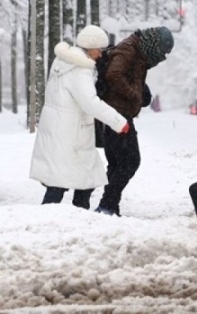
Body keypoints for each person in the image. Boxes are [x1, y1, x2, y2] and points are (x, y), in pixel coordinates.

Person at [29, 26, 130, 209]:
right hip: (71, 132)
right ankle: (57, 217)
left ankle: (76, 214)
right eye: (99, 49)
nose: (100, 54)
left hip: (60, 128)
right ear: (90, 47)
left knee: (77, 179)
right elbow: (90, 102)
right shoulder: (80, 69)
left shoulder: (63, 61)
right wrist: (118, 122)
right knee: (63, 182)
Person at [95, 26, 174, 216]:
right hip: (116, 114)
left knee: (117, 163)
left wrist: (141, 91)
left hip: (117, 113)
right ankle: (107, 204)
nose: (161, 58)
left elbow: (127, 74)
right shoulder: (128, 49)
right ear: (153, 45)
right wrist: (134, 95)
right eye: (161, 52)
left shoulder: (137, 50)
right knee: (131, 161)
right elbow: (114, 74)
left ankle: (110, 206)